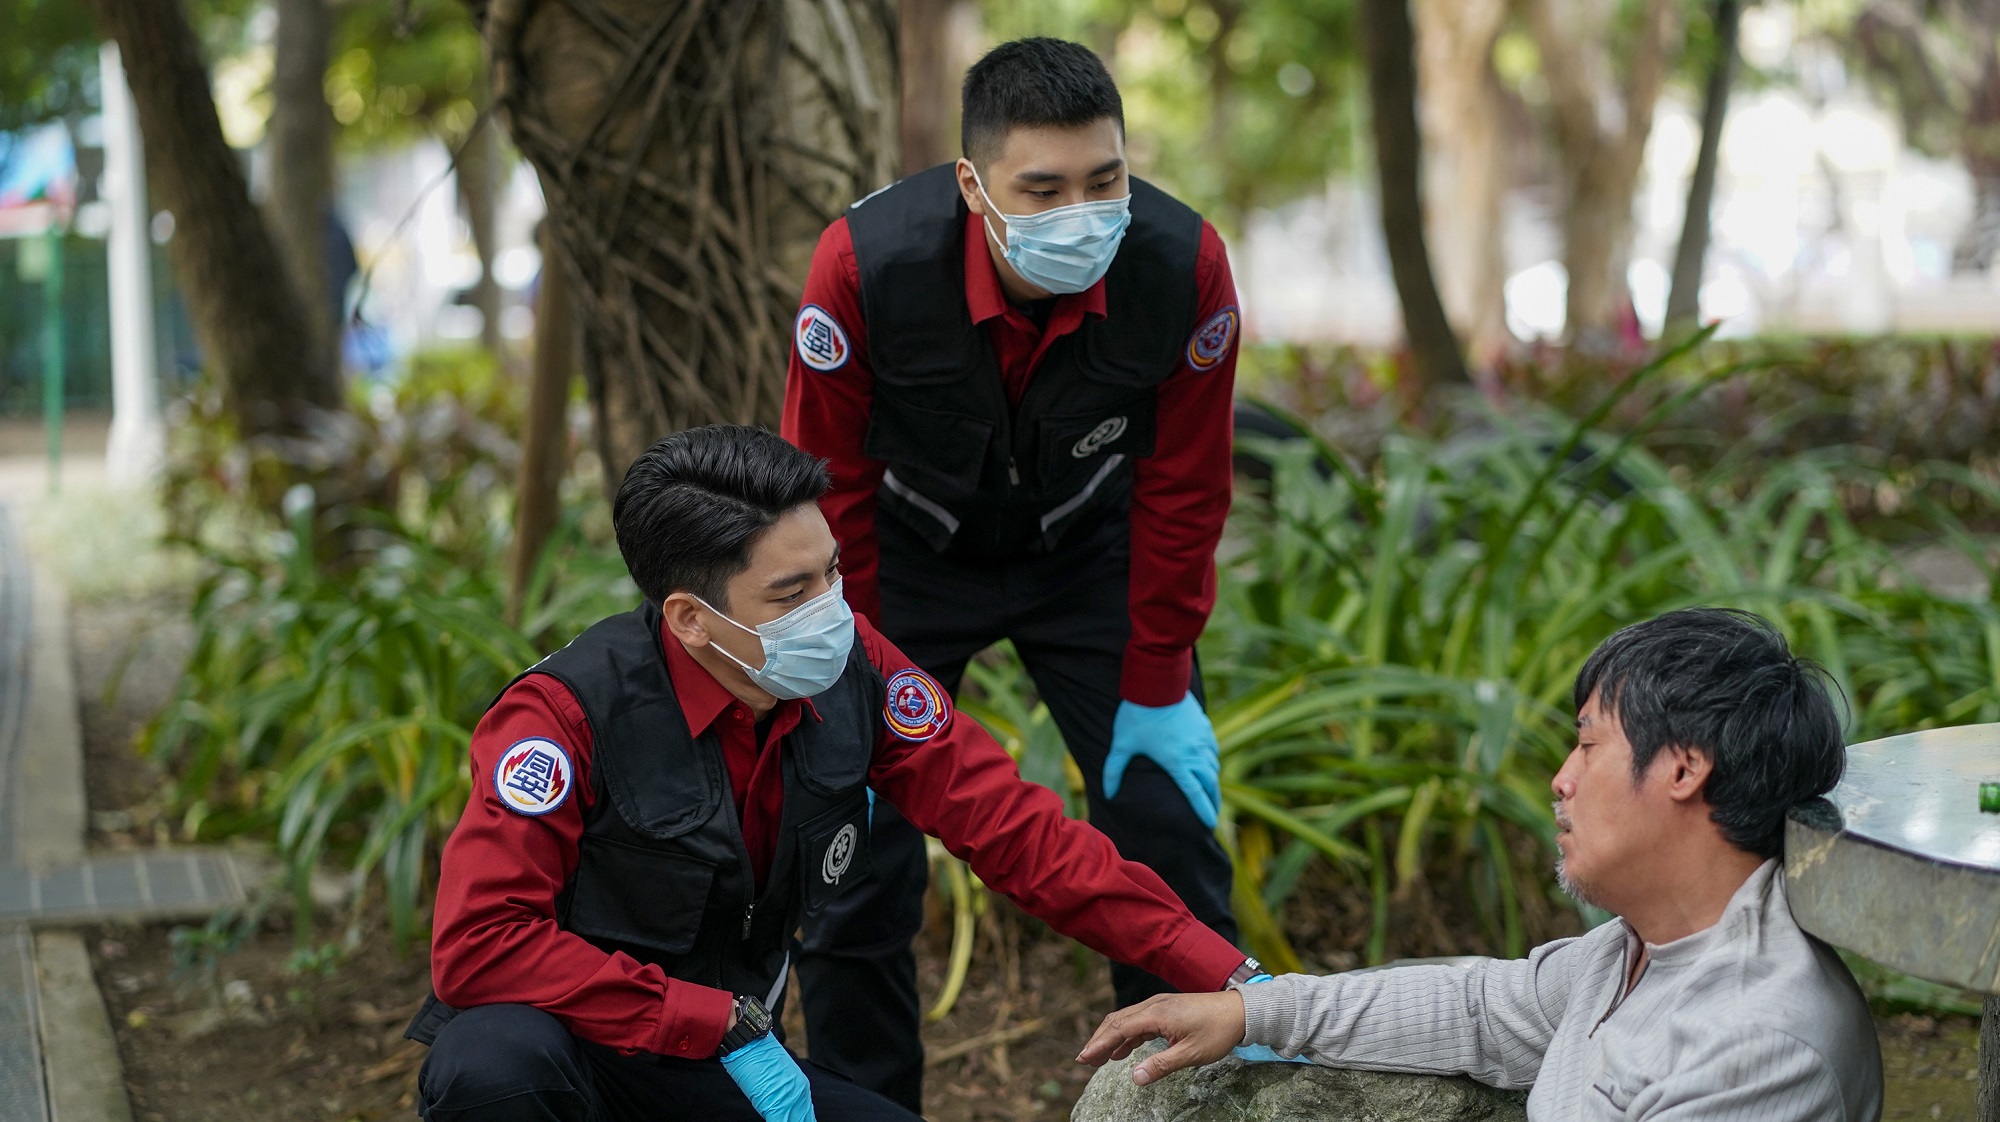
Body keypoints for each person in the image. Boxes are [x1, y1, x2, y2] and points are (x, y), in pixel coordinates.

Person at [404, 425, 1262, 1122]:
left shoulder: (855, 670)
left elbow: (1013, 829)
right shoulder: (562, 718)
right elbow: (479, 945)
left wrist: (1227, 975)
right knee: (493, 1066)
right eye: (791, 593)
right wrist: (704, 1018)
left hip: (724, 1064)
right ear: (691, 620)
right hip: (579, 1059)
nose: (831, 611)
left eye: (834, 573)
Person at [782, 37, 1243, 1109]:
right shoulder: (863, 266)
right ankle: (869, 1104)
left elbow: (1184, 484)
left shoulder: (1182, 267)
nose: (1079, 211)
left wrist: (1160, 674)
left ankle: (1190, 1093)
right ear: (972, 184)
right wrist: (850, 679)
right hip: (901, 557)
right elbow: (827, 489)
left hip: (1088, 552)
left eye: (1104, 179)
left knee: (1163, 817)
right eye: (1041, 188)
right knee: (856, 862)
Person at [1078, 608, 1885, 1122]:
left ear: (1685, 769)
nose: (1561, 780)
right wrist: (1255, 1013)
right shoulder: (1634, 950)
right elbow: (1475, 1006)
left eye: (1589, 743)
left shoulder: (1757, 1044)